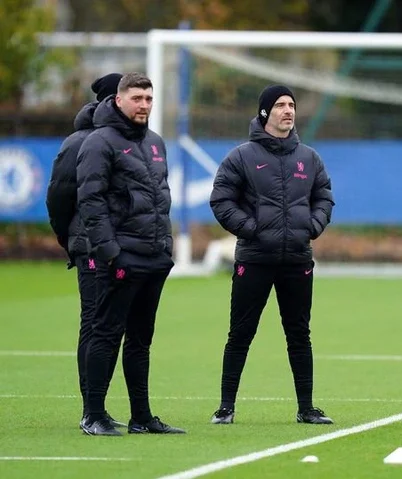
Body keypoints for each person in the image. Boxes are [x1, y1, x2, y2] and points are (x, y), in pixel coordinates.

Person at [209, 85, 335, 425]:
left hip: (297, 259)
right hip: (254, 258)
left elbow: (324, 196)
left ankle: (307, 408)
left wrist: (312, 226)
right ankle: (226, 408)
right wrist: (251, 229)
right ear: (265, 112)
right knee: (240, 333)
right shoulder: (241, 157)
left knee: (299, 333)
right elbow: (221, 200)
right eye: (280, 105)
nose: (288, 110)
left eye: (291, 104)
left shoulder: (309, 158)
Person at [76, 72, 184, 436]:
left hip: (154, 257)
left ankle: (141, 416)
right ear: (118, 100)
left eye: (148, 99)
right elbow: (90, 201)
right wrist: (110, 252)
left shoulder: (155, 142)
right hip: (121, 258)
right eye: (137, 98)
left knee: (140, 340)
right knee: (106, 333)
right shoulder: (99, 142)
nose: (143, 105)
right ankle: (93, 414)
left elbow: (160, 199)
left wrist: (165, 247)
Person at [46, 73, 125, 430]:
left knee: (113, 326)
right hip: (91, 246)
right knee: (94, 322)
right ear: (113, 100)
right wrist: (73, 240)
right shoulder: (79, 142)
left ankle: (101, 406)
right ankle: (91, 408)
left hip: (127, 249)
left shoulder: (135, 141)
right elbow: (59, 197)